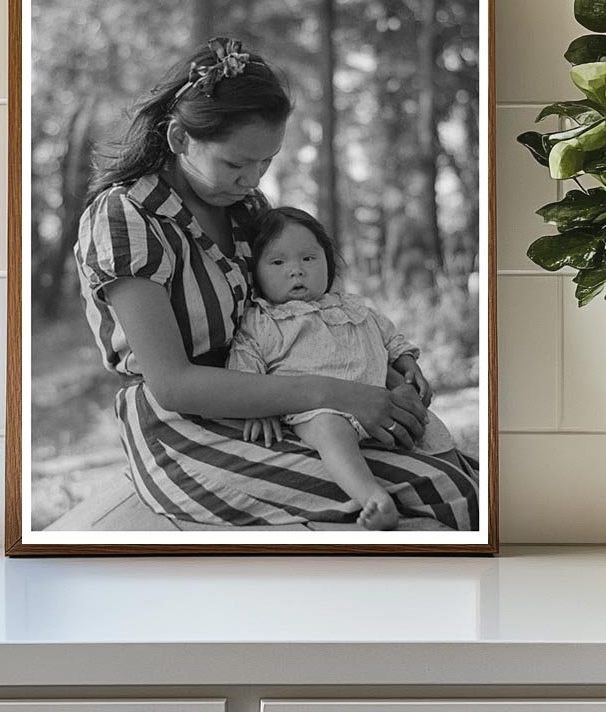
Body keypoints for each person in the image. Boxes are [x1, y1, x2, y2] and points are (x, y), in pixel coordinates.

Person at [75, 36, 478, 529]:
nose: (253, 179)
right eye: (236, 163)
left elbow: (301, 315)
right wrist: (338, 394)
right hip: (183, 429)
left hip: (277, 404)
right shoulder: (126, 216)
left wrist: (383, 373)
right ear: (180, 139)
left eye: (266, 162)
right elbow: (174, 384)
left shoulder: (246, 210)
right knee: (442, 489)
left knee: (458, 470)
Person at [228, 206, 468, 531]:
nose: (296, 271)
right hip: (316, 411)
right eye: (278, 262)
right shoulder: (263, 321)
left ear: (328, 261)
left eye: (308, 259)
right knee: (330, 429)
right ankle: (373, 498)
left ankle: (462, 480)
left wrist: (408, 364)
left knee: (425, 422)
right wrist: (259, 408)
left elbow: (389, 338)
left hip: (378, 402)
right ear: (256, 271)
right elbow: (244, 371)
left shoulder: (354, 306)